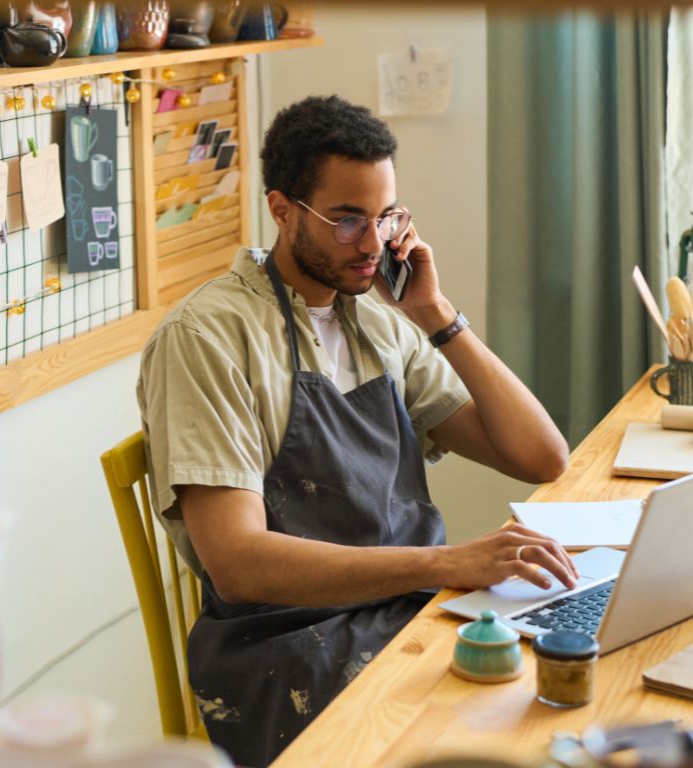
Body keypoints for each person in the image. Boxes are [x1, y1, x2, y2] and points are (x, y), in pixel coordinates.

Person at [137, 95, 574, 767]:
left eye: (386, 217)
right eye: (346, 220)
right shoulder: (208, 337)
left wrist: (438, 316)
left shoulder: (377, 320)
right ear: (282, 210)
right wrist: (446, 563)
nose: (372, 244)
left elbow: (541, 456)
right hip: (286, 647)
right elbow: (239, 563)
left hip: (409, 611)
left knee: (555, 703)